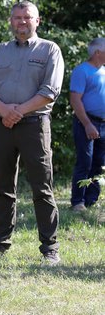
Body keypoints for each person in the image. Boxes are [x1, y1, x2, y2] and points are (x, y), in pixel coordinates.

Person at [0, 0, 63, 264]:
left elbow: (50, 92)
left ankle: (50, 248)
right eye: (17, 18)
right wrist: (4, 110)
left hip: (34, 127)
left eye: (27, 17)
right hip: (2, 126)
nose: (22, 22)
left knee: (42, 188)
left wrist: (17, 112)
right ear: (11, 22)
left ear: (37, 21)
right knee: (4, 187)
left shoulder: (50, 50)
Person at [68, 37, 105, 212]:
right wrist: (88, 124)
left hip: (103, 124)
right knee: (85, 162)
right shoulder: (81, 71)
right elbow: (75, 100)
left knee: (99, 163)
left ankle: (91, 200)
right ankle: (78, 202)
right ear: (98, 52)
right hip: (87, 122)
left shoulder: (103, 70)